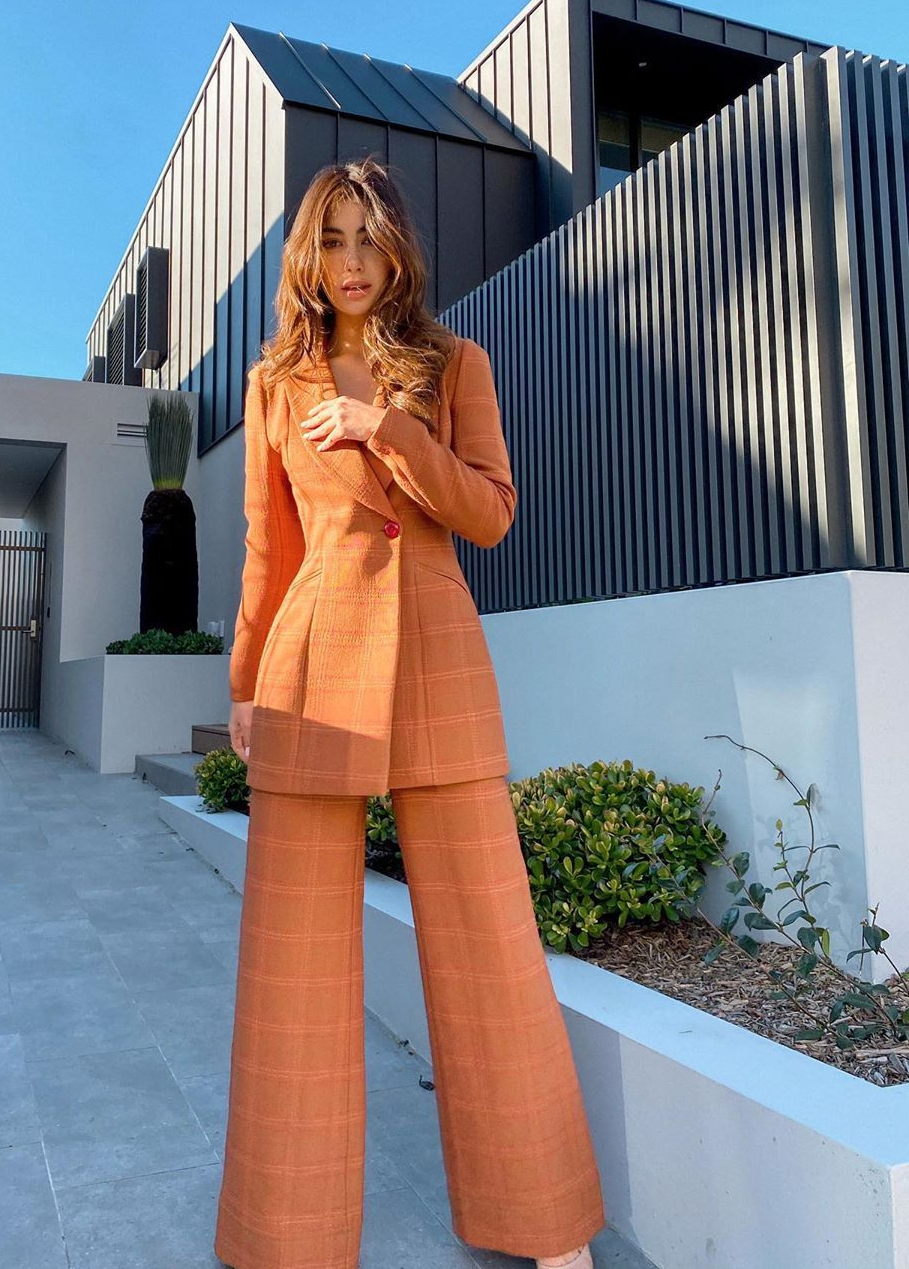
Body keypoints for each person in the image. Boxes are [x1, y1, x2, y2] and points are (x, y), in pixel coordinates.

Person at [215, 156, 605, 1269]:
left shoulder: (453, 362)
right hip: (310, 673)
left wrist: (386, 424)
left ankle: (545, 1224)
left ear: (398, 251)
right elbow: (267, 549)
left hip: (436, 657)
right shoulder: (273, 384)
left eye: (368, 239)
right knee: (292, 973)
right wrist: (242, 682)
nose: (351, 263)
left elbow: (489, 513)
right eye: (332, 240)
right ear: (308, 253)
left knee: (492, 955)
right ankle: (286, 1239)